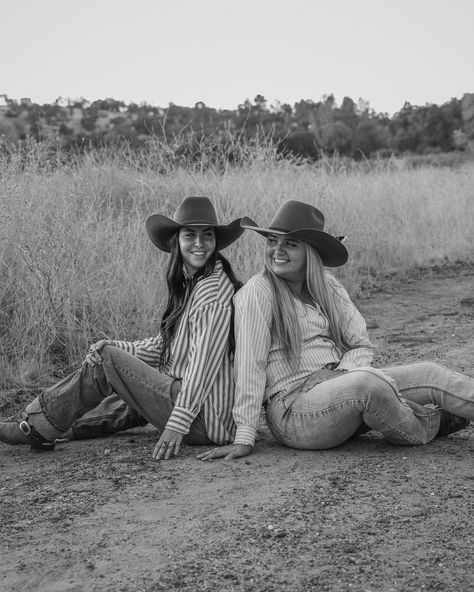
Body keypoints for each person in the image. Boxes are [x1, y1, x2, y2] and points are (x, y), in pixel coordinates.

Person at [198, 200, 471, 461]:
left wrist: (339, 372)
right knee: (369, 385)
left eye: (290, 244)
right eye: (272, 241)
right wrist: (245, 435)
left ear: (309, 252)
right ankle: (430, 422)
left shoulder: (327, 287)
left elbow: (360, 344)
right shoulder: (257, 293)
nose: (277, 250)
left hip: (340, 386)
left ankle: (401, 409)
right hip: (293, 410)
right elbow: (249, 365)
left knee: (430, 372)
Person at [0, 196, 244, 460]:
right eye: (190, 235)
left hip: (206, 420)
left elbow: (202, 368)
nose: (199, 243)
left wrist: (177, 424)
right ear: (177, 241)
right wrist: (120, 347)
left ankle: (35, 426)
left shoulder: (211, 294)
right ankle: (60, 428)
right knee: (121, 384)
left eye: (207, 235)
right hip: (201, 409)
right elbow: (170, 346)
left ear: (216, 240)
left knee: (107, 361)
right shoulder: (195, 282)